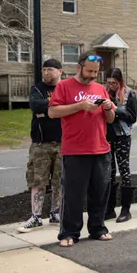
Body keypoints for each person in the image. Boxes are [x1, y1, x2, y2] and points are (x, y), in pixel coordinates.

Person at [48, 52, 116, 247]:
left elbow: (110, 119)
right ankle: (69, 232)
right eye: (89, 71)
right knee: (74, 193)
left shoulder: (100, 88)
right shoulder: (64, 86)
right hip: (75, 149)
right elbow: (52, 112)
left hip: (100, 148)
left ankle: (98, 228)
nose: (93, 75)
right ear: (79, 67)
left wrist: (109, 107)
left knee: (100, 192)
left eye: (96, 72)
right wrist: (80, 106)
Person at [17, 59, 63, 233]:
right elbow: (35, 105)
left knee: (60, 180)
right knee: (38, 180)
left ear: (60, 71)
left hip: (62, 143)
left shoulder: (64, 88)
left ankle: (56, 213)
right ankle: (36, 216)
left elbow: (70, 107)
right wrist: (58, 106)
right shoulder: (37, 89)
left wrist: (49, 109)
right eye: (44, 70)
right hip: (40, 144)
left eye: (50, 70)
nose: (46, 73)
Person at [104, 68, 137, 223]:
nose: (111, 86)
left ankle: (126, 209)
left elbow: (132, 117)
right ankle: (109, 208)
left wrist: (116, 110)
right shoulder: (103, 93)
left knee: (124, 170)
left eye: (114, 83)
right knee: (108, 172)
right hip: (106, 137)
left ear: (120, 81)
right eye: (109, 83)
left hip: (122, 136)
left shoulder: (129, 94)